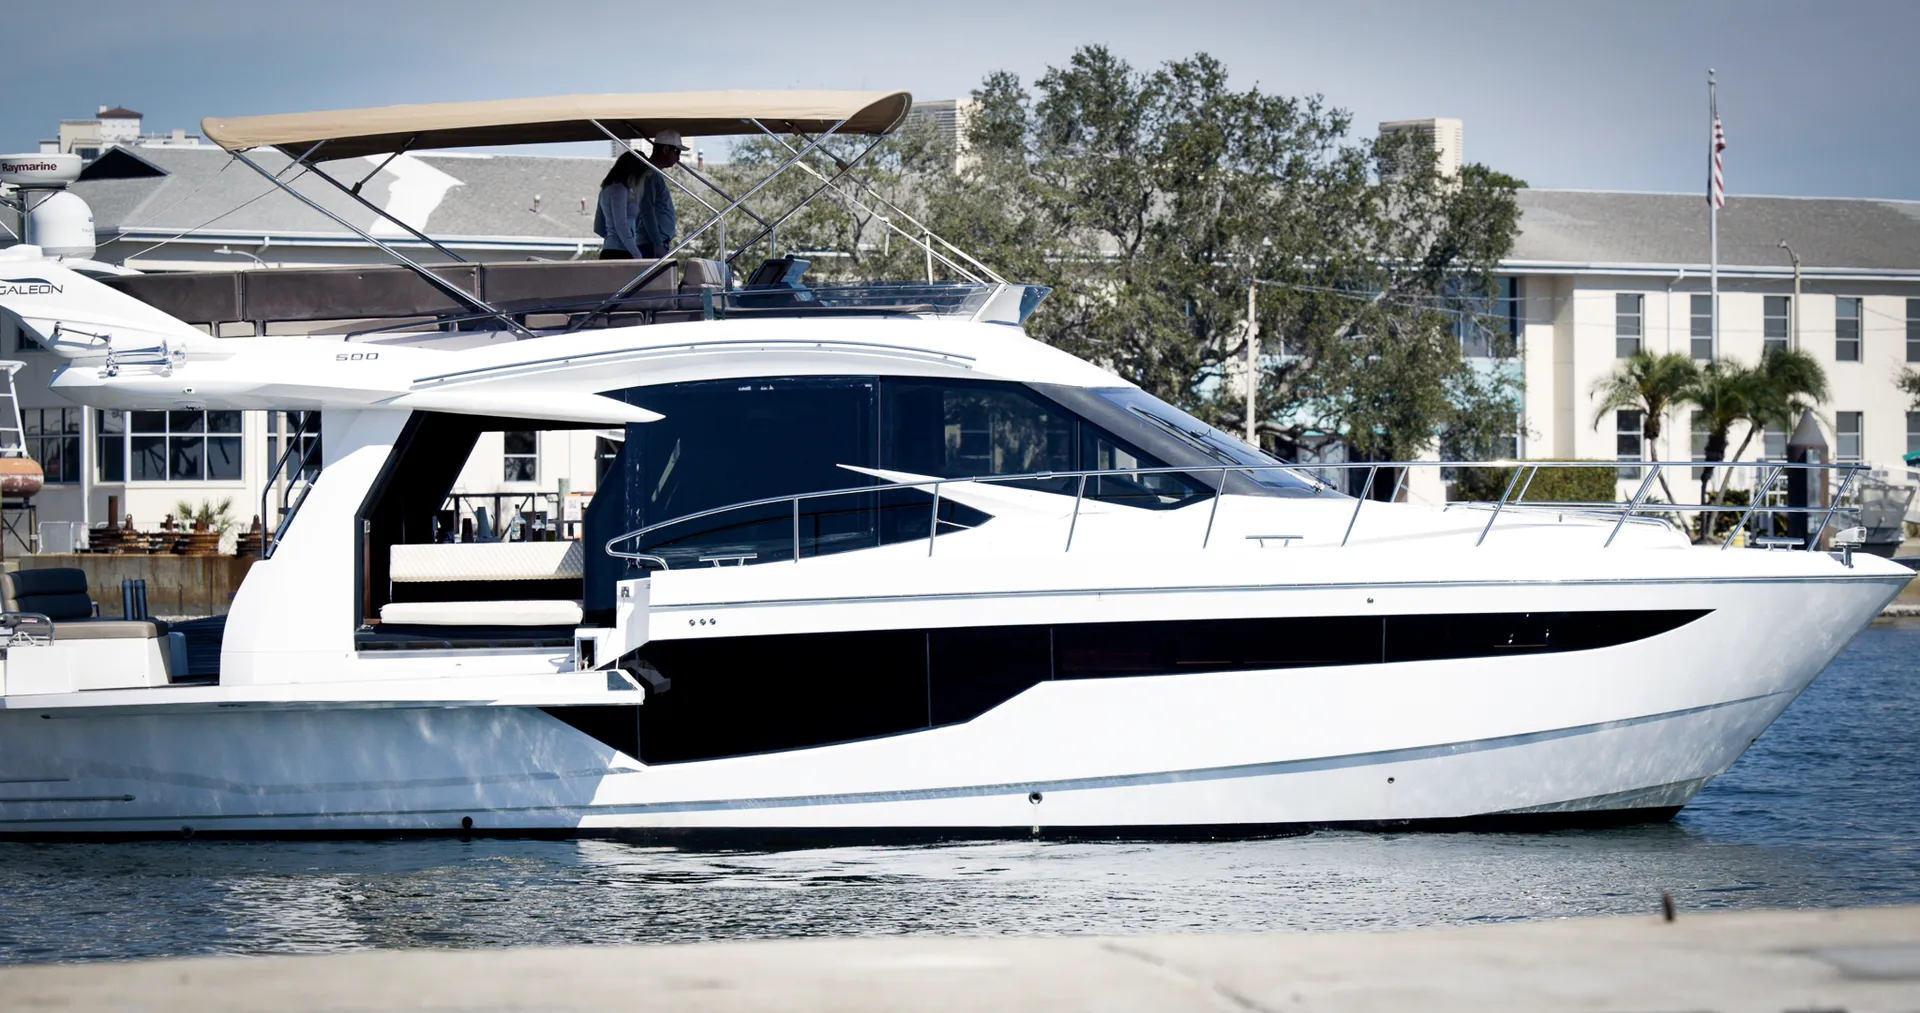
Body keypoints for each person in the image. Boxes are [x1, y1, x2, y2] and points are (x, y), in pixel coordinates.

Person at [592, 152, 647, 260]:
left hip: (610, 249)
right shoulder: (620, 189)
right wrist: (636, 254)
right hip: (621, 252)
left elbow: (599, 226)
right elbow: (621, 225)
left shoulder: (605, 189)